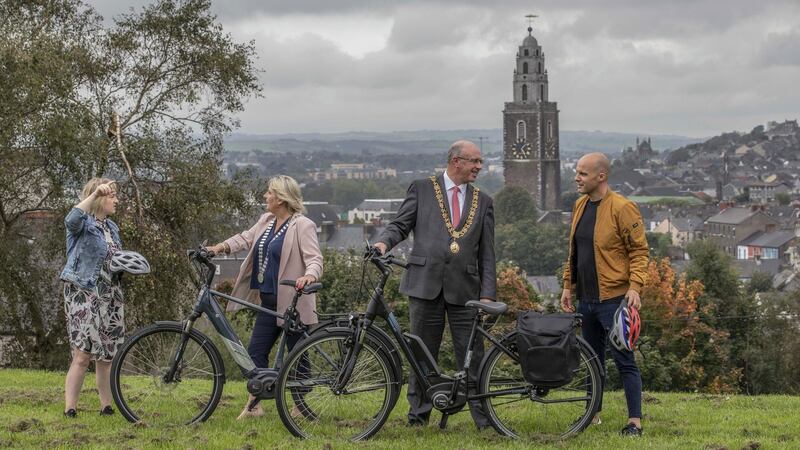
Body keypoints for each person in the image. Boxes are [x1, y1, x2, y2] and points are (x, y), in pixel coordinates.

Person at [374, 140, 496, 430]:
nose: (479, 167)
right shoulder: (422, 188)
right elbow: (400, 225)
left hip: (466, 289)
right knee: (421, 352)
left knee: (472, 356)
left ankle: (484, 420)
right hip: (424, 284)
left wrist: (488, 294)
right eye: (474, 161)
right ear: (456, 161)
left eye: (480, 162)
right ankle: (418, 416)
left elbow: (488, 253)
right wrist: (382, 243)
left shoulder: (485, 201)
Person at [206, 175, 322, 420]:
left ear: (280, 198)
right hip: (269, 302)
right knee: (255, 353)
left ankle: (300, 407)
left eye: (269, 193)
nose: (265, 196)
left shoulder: (302, 225)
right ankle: (254, 405)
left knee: (297, 356)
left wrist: (309, 276)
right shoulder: (267, 221)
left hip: (292, 303)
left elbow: (315, 259)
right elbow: (244, 238)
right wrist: (218, 248)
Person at [559, 152, 648, 437]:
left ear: (601, 176)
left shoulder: (623, 208)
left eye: (582, 173)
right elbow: (574, 252)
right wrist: (567, 286)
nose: (577, 178)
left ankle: (635, 422)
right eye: (577, 172)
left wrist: (635, 287)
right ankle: (592, 414)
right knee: (592, 360)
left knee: (624, 360)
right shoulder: (579, 206)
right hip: (586, 299)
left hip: (614, 300)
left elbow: (640, 251)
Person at [60, 178, 124, 418]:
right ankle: (70, 409)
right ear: (99, 198)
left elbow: (114, 259)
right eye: (112, 196)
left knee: (107, 354)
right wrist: (96, 191)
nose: (116, 201)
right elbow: (71, 218)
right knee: (83, 353)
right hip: (84, 292)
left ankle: (106, 406)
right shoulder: (82, 225)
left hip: (111, 294)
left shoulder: (112, 228)